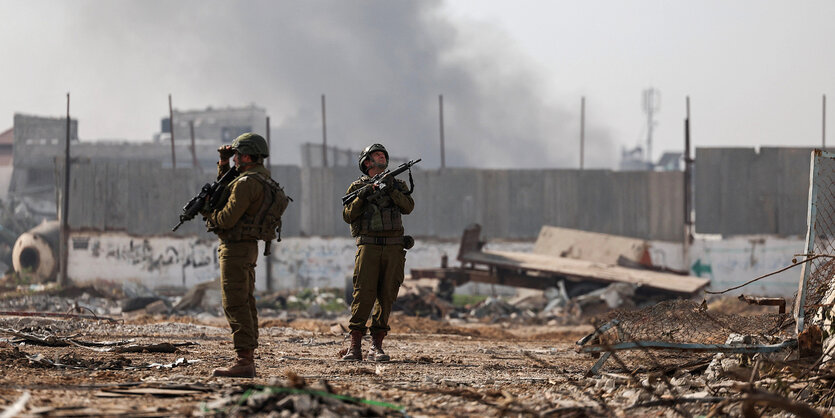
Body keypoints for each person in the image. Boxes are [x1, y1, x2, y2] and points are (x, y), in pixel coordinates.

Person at [202, 132, 275, 378]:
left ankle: (244, 360)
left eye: (235, 156)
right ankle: (247, 356)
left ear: (246, 156)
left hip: (235, 247)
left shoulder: (246, 184)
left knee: (234, 301)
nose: (234, 160)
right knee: (245, 300)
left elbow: (227, 216)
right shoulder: (259, 178)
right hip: (247, 246)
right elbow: (224, 190)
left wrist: (208, 215)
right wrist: (223, 164)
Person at [340, 143, 415, 362]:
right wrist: (363, 196)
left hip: (393, 247)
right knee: (363, 295)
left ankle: (376, 346)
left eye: (383, 154)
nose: (382, 156)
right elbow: (347, 214)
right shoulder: (357, 186)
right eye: (376, 155)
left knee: (387, 295)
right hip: (369, 246)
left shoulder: (397, 184)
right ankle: (355, 346)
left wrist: (390, 188)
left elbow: (408, 207)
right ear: (367, 163)